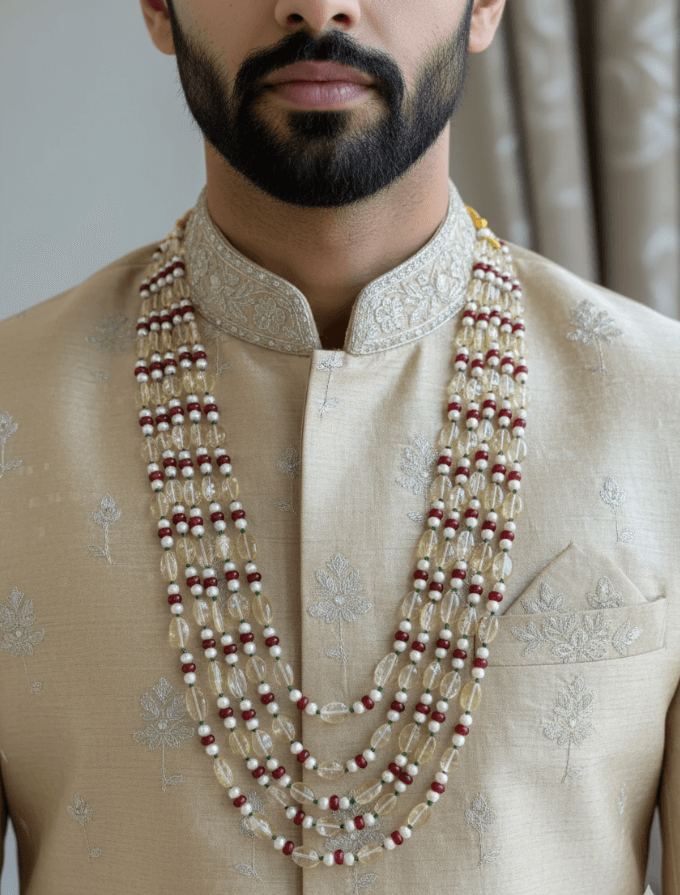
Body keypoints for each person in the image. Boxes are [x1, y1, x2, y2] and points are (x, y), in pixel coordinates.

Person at [0, 1, 678, 892]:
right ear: (159, 7)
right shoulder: (17, 413)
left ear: (485, 6)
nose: (318, 7)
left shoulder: (662, 406)